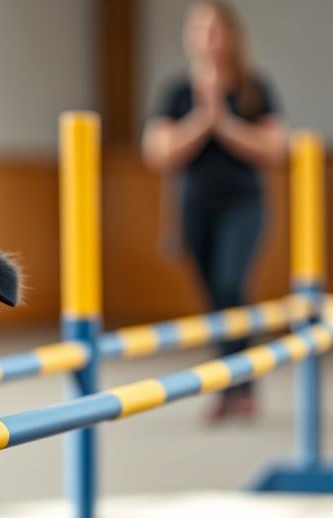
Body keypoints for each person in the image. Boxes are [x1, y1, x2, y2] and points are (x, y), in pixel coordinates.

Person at [143, 1, 287, 420]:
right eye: (198, 31)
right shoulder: (177, 92)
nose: (205, 40)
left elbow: (275, 147)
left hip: (244, 204)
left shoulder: (252, 88)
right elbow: (159, 151)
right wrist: (204, 119)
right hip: (194, 208)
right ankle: (230, 385)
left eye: (213, 31)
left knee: (230, 286)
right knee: (213, 299)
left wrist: (225, 122)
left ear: (230, 37)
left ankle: (240, 382)